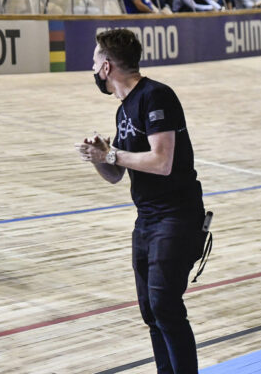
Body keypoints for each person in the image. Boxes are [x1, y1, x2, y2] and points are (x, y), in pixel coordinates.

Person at [75, 28, 208, 374]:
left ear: (106, 67)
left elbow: (161, 163)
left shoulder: (156, 96)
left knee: (165, 305)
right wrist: (99, 156)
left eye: (94, 61)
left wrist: (113, 156)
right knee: (151, 310)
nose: (92, 68)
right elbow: (117, 174)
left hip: (177, 216)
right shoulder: (124, 111)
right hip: (147, 219)